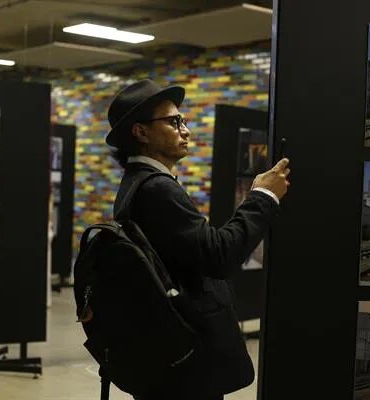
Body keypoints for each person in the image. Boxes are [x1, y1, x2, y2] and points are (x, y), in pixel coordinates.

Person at [105, 79, 290, 400]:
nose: (185, 130)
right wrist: (263, 196)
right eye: (174, 122)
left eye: (184, 120)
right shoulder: (156, 188)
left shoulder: (137, 184)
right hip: (184, 361)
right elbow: (218, 255)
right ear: (141, 132)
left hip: (167, 351)